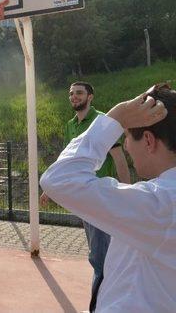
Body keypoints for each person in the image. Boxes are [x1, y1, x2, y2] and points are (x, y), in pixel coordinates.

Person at [40, 84, 175, 311]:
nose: (127, 147)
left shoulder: (159, 203)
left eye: (127, 138)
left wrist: (117, 117)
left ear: (149, 141)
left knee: (98, 259)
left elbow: (59, 178)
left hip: (92, 195)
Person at [40, 81, 130, 312]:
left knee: (100, 261)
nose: (73, 97)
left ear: (90, 96)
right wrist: (48, 190)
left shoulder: (102, 122)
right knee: (100, 256)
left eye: (79, 93)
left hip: (101, 200)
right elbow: (65, 161)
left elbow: (119, 158)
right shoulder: (71, 125)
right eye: (71, 93)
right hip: (84, 202)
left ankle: (98, 307)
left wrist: (128, 194)